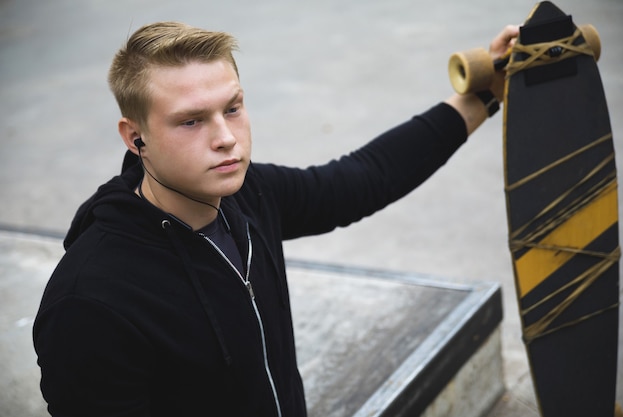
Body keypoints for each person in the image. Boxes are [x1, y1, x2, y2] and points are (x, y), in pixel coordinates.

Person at [33, 21, 518, 416]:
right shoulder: (89, 304)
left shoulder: (246, 195)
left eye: (233, 108)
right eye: (191, 120)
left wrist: (484, 95)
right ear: (134, 136)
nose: (227, 138)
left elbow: (362, 179)